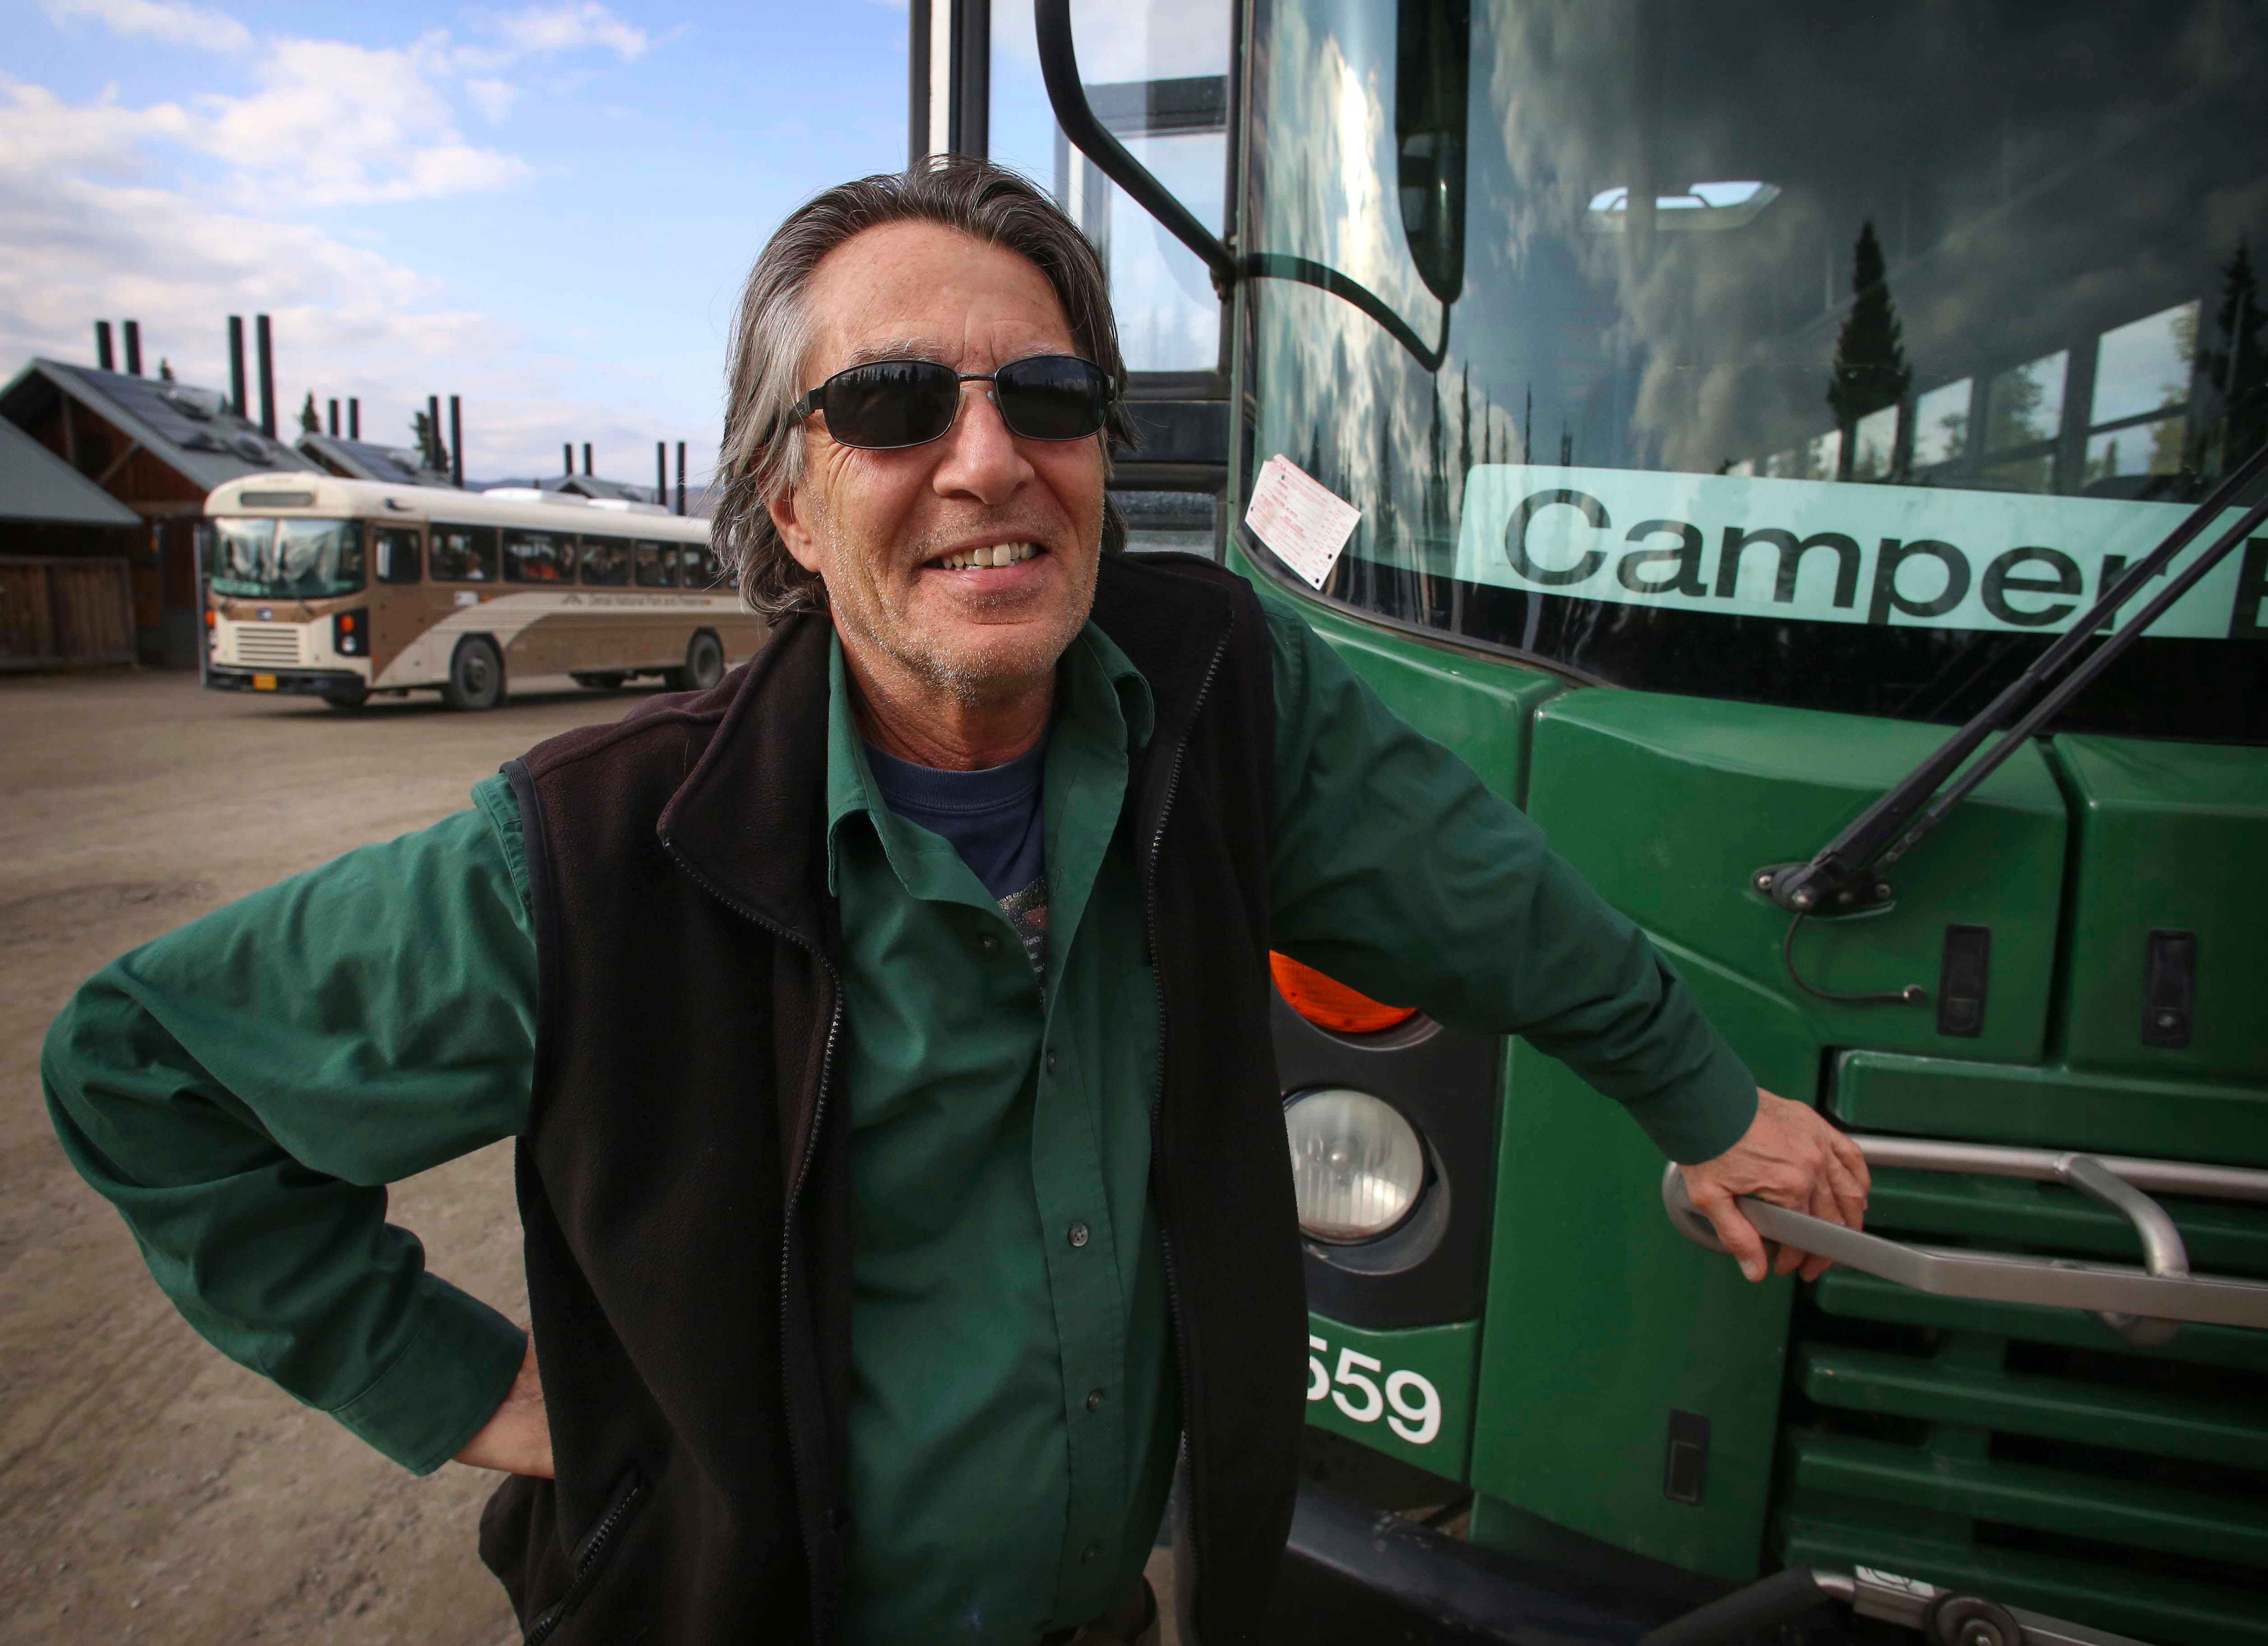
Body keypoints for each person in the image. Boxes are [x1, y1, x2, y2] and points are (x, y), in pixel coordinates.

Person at [43, 159, 1868, 1646]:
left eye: (1051, 396)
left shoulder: (1221, 691)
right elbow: (142, 1070)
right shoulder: (590, 853)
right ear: (790, 492)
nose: (990, 459)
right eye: (895, 403)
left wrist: (1710, 1107)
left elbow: (1490, 893)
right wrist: (478, 1397)